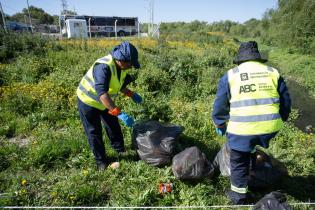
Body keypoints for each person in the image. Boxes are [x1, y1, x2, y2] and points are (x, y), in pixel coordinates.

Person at [212, 41, 291, 204]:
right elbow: (286, 101)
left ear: (240, 60)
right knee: (252, 141)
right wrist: (280, 119)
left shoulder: (231, 75)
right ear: (258, 59)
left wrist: (220, 123)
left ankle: (239, 196)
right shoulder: (273, 72)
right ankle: (254, 154)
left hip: (242, 130)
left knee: (238, 160)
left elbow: (220, 104)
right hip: (271, 127)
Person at [77, 41, 142, 170]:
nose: (131, 67)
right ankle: (101, 163)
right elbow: (102, 94)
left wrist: (131, 94)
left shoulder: (121, 68)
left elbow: (120, 85)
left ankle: (120, 150)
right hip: (88, 101)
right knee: (94, 132)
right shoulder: (104, 67)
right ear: (121, 59)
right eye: (130, 63)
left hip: (104, 102)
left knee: (113, 125)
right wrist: (119, 113)